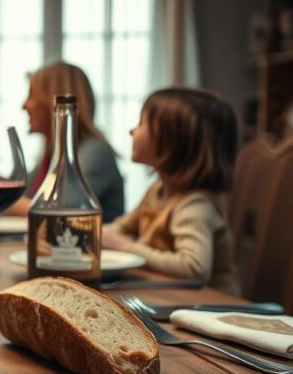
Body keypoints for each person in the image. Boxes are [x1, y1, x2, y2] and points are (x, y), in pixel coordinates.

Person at [102, 88, 239, 294]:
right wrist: (92, 234)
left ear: (173, 141)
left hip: (210, 305)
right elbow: (123, 228)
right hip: (171, 295)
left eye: (141, 124)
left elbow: (194, 268)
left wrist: (126, 247)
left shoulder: (195, 204)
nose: (132, 130)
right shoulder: (158, 190)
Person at [12, 61, 125, 221]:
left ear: (54, 101)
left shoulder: (95, 151)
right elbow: (27, 195)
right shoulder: (52, 154)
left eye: (31, 95)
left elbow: (61, 208)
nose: (24, 105)